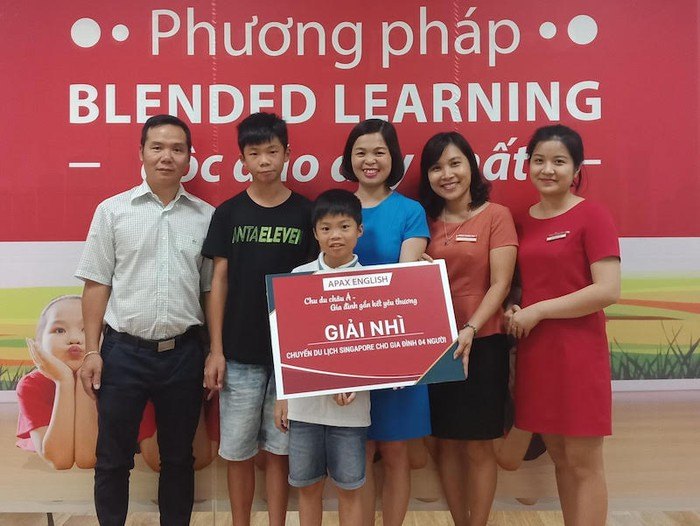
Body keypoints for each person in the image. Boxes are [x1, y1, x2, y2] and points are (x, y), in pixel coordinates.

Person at [76, 114, 214, 526]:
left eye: (177, 149)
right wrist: (92, 351)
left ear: (189, 157)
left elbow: (210, 290)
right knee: (112, 458)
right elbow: (96, 284)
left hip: (185, 354)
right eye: (157, 147)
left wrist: (214, 352)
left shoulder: (206, 216)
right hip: (123, 354)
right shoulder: (112, 211)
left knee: (179, 458)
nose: (166, 156)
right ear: (141, 152)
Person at [202, 112, 315, 526]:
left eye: (272, 151)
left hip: (289, 357)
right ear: (242, 159)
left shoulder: (307, 213)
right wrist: (216, 350)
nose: (264, 160)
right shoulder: (229, 213)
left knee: (280, 453)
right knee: (237, 452)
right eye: (255, 153)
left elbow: (313, 288)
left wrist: (301, 357)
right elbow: (218, 281)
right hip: (239, 353)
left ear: (287, 153)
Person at [506, 124, 621, 526]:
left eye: (559, 161)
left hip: (578, 354)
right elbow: (522, 285)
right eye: (539, 160)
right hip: (536, 354)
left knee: (584, 463)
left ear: (576, 169)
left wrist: (538, 310)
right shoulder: (522, 221)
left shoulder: (593, 215)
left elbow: (607, 290)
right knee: (559, 457)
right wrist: (515, 308)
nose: (547, 169)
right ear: (527, 166)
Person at [417, 132, 518, 526]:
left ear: (471, 167)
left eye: (455, 163)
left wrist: (472, 328)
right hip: (436, 347)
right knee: (444, 444)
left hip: (484, 343)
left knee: (478, 447)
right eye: (436, 167)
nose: (447, 174)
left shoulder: (497, 215)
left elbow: (501, 284)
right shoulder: (423, 221)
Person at [340, 118, 430, 526]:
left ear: (393, 157)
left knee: (395, 453)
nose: (370, 160)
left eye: (379, 151)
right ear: (349, 158)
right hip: (346, 347)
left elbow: (404, 279)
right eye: (360, 152)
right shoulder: (337, 208)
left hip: (398, 346)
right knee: (357, 452)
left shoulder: (411, 211)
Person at [274, 189, 370, 526]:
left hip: (351, 411)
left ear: (359, 229)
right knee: (307, 487)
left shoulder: (374, 282)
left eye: (344, 226)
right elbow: (285, 343)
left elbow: (376, 348)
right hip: (304, 409)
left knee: (349, 490)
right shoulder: (297, 278)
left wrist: (353, 381)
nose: (335, 236)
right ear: (315, 233)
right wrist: (282, 396)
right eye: (326, 228)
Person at [16, 295, 97, 470]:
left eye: (86, 329)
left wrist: (83, 377)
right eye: (59, 330)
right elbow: (60, 460)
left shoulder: (114, 380)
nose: (74, 339)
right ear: (39, 342)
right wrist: (64, 381)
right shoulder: (31, 385)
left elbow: (87, 458)